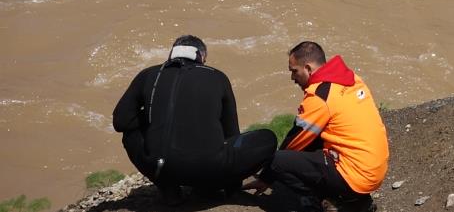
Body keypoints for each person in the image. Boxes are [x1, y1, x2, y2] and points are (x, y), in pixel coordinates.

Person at [113, 35, 277, 204]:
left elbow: (121, 122)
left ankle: (168, 189)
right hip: (209, 171)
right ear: (202, 57)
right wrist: (231, 186)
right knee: (268, 138)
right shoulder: (218, 77)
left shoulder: (147, 74)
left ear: (171, 54)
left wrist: (150, 117)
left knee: (129, 133)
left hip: (158, 168)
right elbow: (231, 133)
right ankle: (210, 189)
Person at [245, 42, 389, 212]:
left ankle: (324, 204)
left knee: (277, 161)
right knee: (315, 139)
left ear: (308, 68)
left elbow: (294, 142)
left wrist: (267, 176)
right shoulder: (352, 79)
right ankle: (354, 200)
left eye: (294, 71)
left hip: (355, 176)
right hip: (375, 170)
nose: (292, 78)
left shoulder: (320, 95)